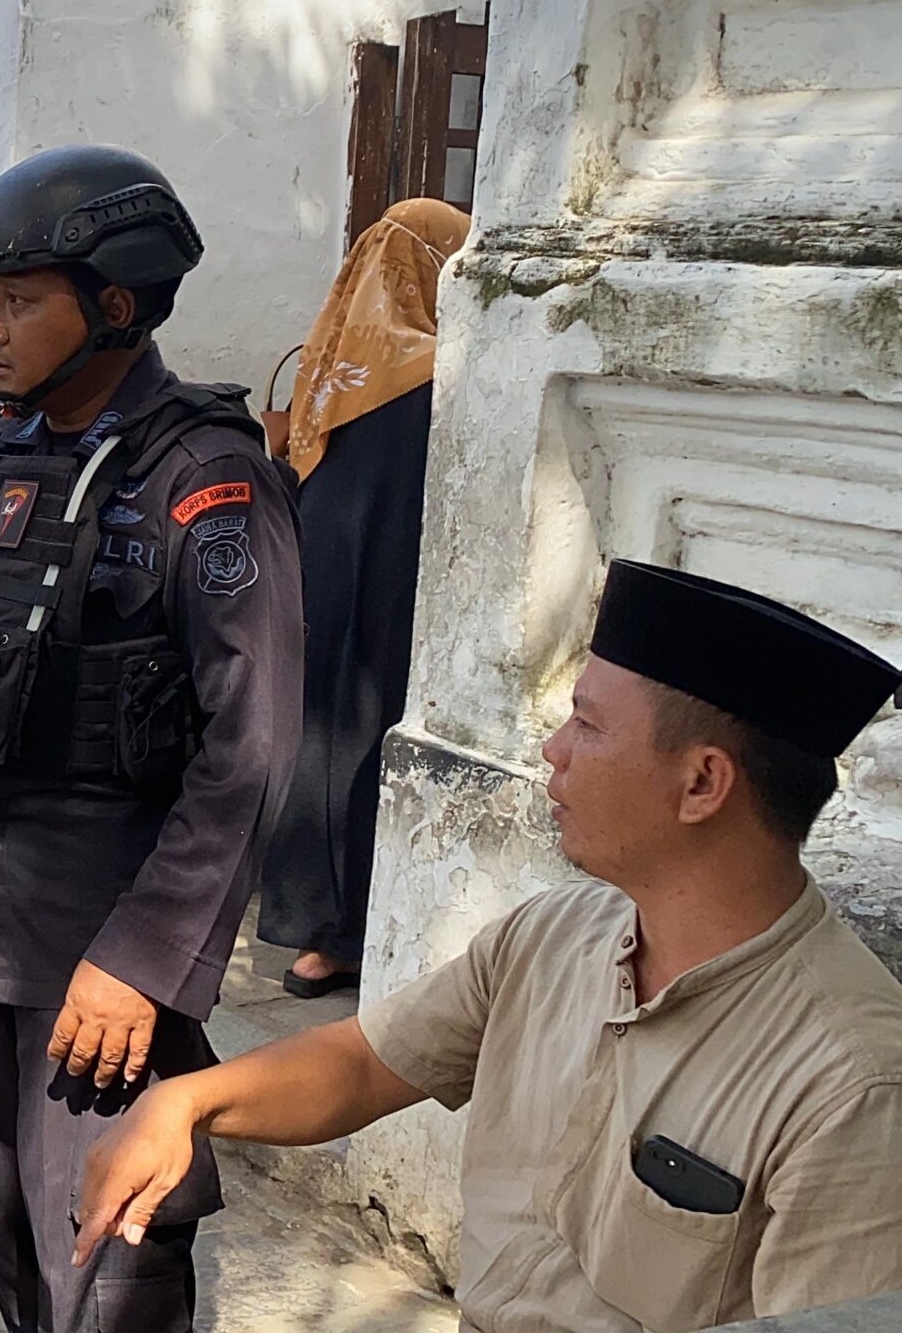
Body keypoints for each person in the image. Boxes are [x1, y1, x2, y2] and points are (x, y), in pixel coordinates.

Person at [79, 560, 902, 1332]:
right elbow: (365, 1065)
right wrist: (184, 1104)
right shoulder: (556, 935)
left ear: (701, 784)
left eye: (587, 724)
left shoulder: (855, 1084)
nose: (553, 748)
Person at [0, 144, 303, 1333]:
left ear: (112, 306)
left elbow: (250, 745)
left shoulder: (202, 477)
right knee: (0, 1227)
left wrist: (147, 960)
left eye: (20, 301)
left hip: (98, 958)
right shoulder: (7, 456)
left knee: (110, 1264)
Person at [258, 198, 472, 998]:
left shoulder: (333, 358)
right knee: (367, 738)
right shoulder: (444, 369)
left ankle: (314, 929)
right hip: (392, 577)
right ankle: (348, 935)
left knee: (317, 740)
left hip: (318, 571)